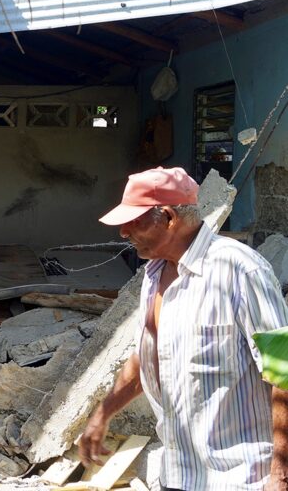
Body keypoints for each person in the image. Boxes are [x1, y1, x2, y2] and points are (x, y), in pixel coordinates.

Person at [78, 167, 288, 491]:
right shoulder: (153, 276)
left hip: (238, 478)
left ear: (167, 217)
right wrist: (102, 414)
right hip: (177, 474)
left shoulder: (240, 270)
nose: (123, 232)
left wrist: (281, 474)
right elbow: (149, 357)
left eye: (132, 220)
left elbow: (283, 371)